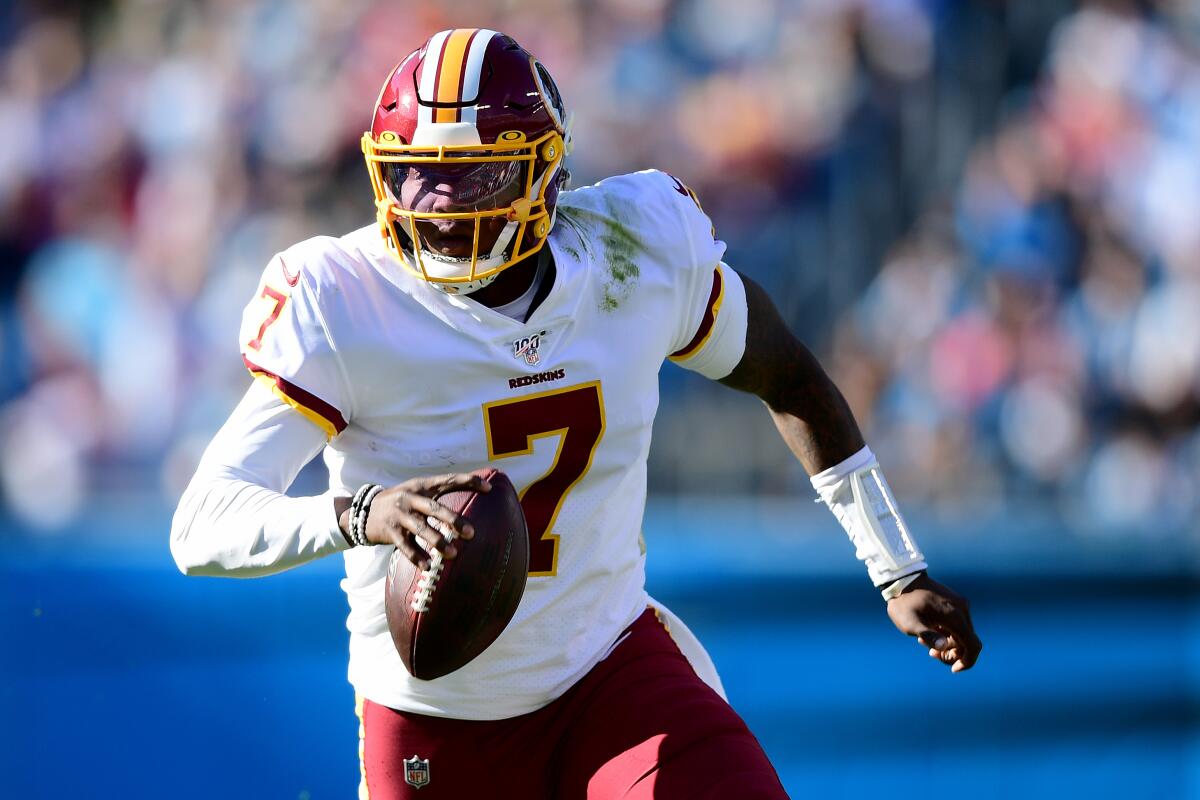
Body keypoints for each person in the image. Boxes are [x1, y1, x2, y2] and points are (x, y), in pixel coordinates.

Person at [171, 28, 981, 799]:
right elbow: (201, 526)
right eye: (414, 171)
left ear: (544, 173)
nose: (438, 201)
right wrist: (360, 514)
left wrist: (896, 563)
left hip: (608, 673)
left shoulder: (633, 254)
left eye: (473, 174)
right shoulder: (347, 301)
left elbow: (791, 379)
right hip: (437, 719)